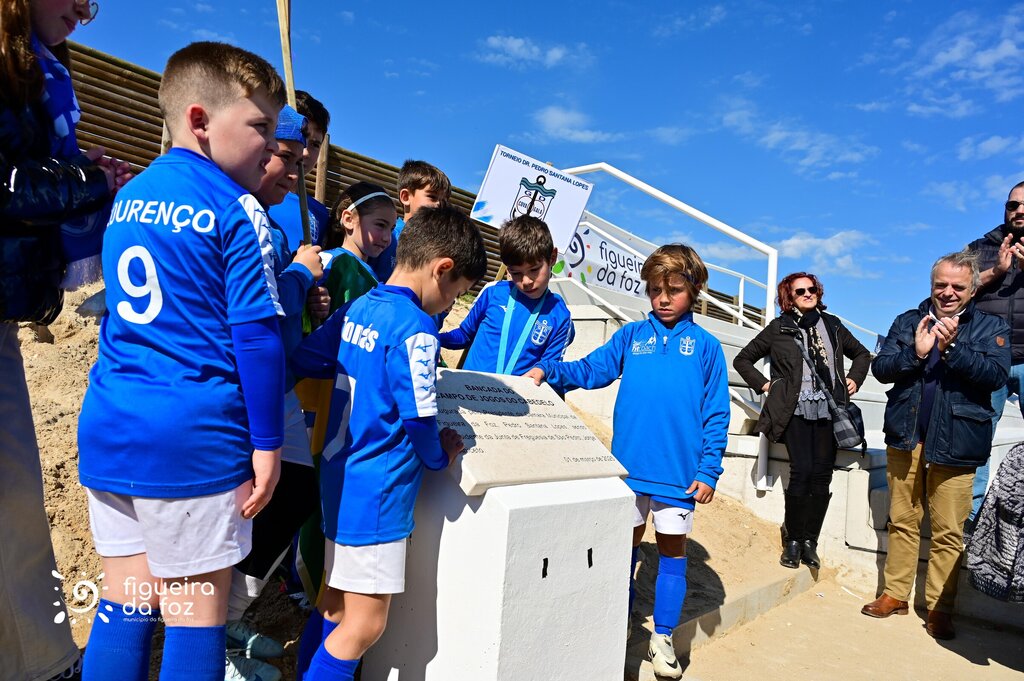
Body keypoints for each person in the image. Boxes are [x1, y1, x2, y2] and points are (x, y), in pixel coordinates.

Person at [76, 42, 288, 681]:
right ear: (199, 120)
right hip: (191, 441)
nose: (270, 147)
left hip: (112, 425)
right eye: (260, 127)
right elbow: (255, 338)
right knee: (195, 617)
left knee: (126, 604)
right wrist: (268, 444)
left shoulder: (130, 196)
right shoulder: (236, 208)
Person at [292, 206, 488, 681]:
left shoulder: (360, 306)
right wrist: (440, 456)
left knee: (334, 608)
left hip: (339, 479)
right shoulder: (418, 329)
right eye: (457, 294)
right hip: (378, 495)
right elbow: (420, 419)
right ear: (442, 270)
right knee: (364, 625)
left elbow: (309, 356)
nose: (450, 307)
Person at [526, 244, 729, 680]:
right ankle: (616, 619)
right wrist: (550, 372)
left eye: (673, 289)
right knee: (625, 548)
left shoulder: (708, 348)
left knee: (673, 553)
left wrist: (709, 468)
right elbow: (591, 370)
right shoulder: (631, 337)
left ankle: (663, 637)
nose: (662, 298)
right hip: (628, 472)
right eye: (655, 289)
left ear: (694, 290)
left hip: (678, 478)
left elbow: (717, 413)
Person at [0, 2, 127, 679]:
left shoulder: (36, 71)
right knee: (14, 504)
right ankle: (43, 665)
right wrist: (88, 181)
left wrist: (79, 176)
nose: (85, 11)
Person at [861, 251, 1010, 641]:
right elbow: (881, 368)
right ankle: (894, 594)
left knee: (947, 531)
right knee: (902, 522)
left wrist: (953, 350)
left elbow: (995, 376)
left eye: (957, 287)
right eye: (940, 285)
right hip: (907, 439)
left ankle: (940, 608)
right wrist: (917, 352)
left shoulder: (990, 326)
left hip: (959, 444)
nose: (947, 293)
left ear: (973, 287)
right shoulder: (908, 321)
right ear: (931, 285)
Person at [224, 105, 324, 681]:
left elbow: (281, 306)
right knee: (240, 508)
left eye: (305, 150)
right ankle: (210, 632)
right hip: (246, 388)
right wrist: (297, 275)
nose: (298, 164)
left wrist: (309, 296)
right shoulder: (244, 214)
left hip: (279, 380)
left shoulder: (284, 219)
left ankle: (231, 616)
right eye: (290, 151)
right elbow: (253, 311)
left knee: (292, 491)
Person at [733, 272, 870, 569]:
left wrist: (854, 379)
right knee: (802, 471)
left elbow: (861, 354)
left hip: (830, 409)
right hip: (794, 410)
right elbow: (742, 359)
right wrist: (767, 385)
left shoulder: (832, 325)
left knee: (822, 475)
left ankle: (811, 541)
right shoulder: (778, 328)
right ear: (789, 297)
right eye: (800, 291)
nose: (808, 294)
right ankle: (793, 540)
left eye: (812, 289)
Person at [439, 215, 574, 375]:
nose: (526, 281)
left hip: (513, 399)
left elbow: (549, 368)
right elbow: (464, 335)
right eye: (516, 273)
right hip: (470, 394)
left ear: (552, 258)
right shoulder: (493, 292)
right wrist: (437, 338)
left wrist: (544, 372)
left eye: (534, 269)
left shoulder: (560, 316)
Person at [964, 180, 1024, 518]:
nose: (1018, 211)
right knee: (978, 439)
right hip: (990, 358)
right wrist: (996, 271)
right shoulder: (980, 247)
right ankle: (971, 515)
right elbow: (955, 289)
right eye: (1012, 205)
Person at [367, 159, 451, 283]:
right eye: (432, 197)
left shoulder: (436, 247)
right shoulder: (387, 237)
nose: (439, 205)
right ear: (406, 197)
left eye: (444, 201)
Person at [320, 180, 396, 313]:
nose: (387, 238)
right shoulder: (328, 262)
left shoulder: (373, 277)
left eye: (391, 229)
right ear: (349, 219)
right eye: (380, 225)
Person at [268, 89, 331, 249]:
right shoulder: (250, 192)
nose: (305, 152)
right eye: (301, 138)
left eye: (315, 144)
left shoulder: (320, 214)